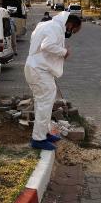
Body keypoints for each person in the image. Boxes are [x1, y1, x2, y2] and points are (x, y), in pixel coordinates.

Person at [24, 13, 82, 151]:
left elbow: (40, 46)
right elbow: (46, 45)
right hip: (39, 70)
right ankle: (38, 139)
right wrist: (64, 52)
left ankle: (43, 133)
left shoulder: (46, 25)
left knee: (43, 103)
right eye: (73, 30)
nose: (71, 33)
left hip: (38, 68)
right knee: (44, 104)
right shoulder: (55, 27)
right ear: (70, 24)